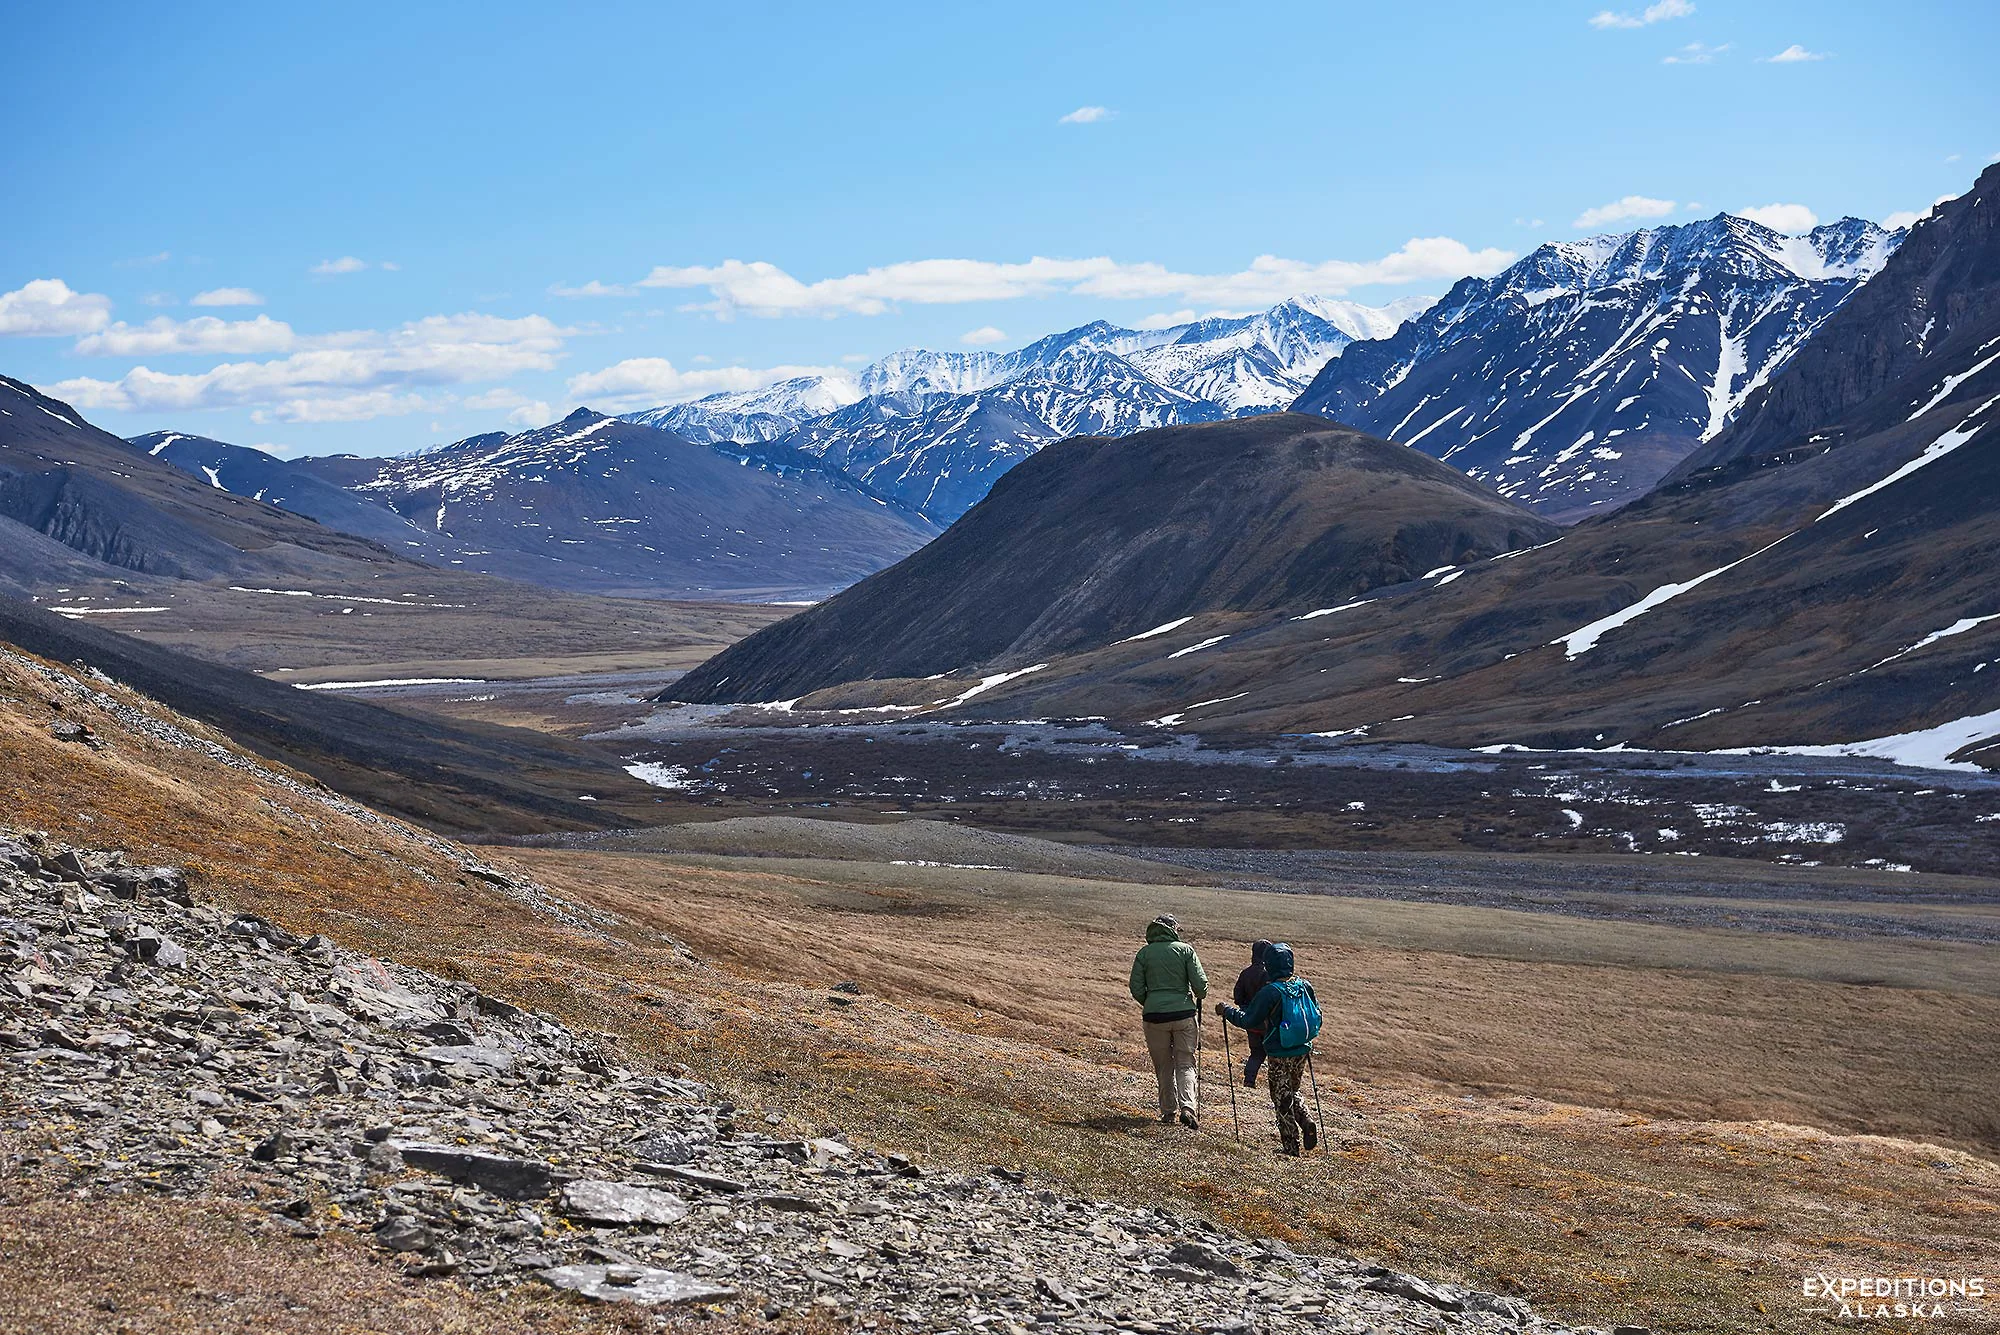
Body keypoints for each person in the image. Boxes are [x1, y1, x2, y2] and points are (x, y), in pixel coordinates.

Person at [1216, 941, 1320, 1156]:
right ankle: (1306, 1119)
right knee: (1291, 1090)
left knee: (1280, 1097)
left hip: (1278, 1051)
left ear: (1269, 965)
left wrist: (1227, 1011)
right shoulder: (1304, 985)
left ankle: (1291, 1146)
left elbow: (1249, 1020)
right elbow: (1317, 1013)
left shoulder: (1270, 992)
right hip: (1302, 1048)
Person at [1128, 913, 1208, 1128]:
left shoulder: (1144, 953)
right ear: (1173, 929)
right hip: (1183, 1015)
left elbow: (1135, 987)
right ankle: (1188, 1107)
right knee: (1185, 1062)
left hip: (1154, 1017)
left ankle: (1168, 1112)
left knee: (1163, 1065)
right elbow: (1200, 987)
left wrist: (1151, 1001)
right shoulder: (1185, 951)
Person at [1233, 940, 1272, 1088]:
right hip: (1269, 1023)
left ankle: (1249, 1080)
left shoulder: (1245, 973)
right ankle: (1275, 1083)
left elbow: (1237, 997)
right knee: (1273, 1053)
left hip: (1251, 1022)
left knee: (1256, 1053)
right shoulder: (1270, 975)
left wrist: (1246, 1009)